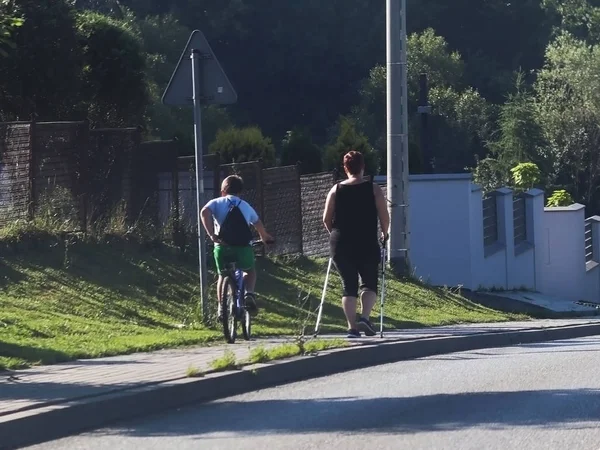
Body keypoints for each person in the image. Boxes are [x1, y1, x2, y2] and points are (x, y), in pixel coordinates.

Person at [322, 151, 390, 338]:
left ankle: (352, 328)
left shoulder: (335, 190)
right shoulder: (373, 189)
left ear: (345, 168)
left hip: (340, 243)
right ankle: (365, 318)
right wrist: (385, 234)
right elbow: (384, 217)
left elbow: (326, 219)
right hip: (366, 241)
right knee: (369, 283)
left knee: (348, 285)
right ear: (363, 167)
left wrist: (335, 235)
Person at [200, 175, 274, 319]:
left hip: (222, 248)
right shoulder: (245, 205)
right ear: (240, 192)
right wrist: (264, 237)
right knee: (250, 271)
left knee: (222, 275)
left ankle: (221, 308)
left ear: (223, 190)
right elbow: (257, 222)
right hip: (242, 248)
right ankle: (249, 294)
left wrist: (212, 235)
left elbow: (204, 212)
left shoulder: (216, 202)